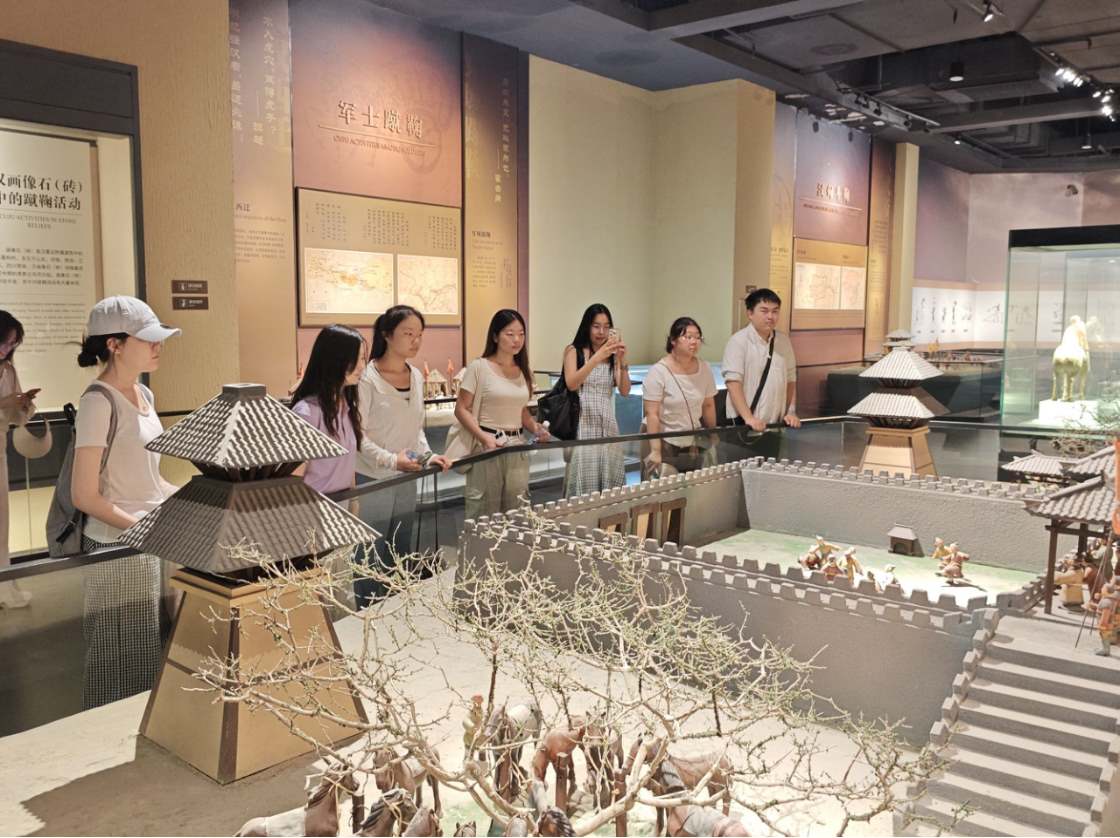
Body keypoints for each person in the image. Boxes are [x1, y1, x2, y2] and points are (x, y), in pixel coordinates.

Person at [72, 296, 180, 708]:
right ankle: (102, 737)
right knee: (115, 660)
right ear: (114, 344)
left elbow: (150, 481)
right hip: (116, 547)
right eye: (147, 339)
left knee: (146, 654)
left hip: (146, 542)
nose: (158, 347)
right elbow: (84, 495)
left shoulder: (143, 395)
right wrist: (143, 530)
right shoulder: (97, 401)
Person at [355, 305, 451, 607]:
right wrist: (390, 459)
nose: (415, 341)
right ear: (387, 334)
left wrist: (426, 456)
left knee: (399, 546)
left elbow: (415, 428)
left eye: (419, 334)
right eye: (408, 333)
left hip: (406, 474)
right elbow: (358, 435)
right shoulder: (367, 378)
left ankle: (395, 610)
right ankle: (367, 612)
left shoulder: (416, 376)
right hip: (373, 476)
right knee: (370, 550)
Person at [453, 309, 548, 518]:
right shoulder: (479, 367)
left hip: (517, 446)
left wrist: (535, 428)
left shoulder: (524, 370)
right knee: (484, 512)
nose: (517, 340)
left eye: (521, 334)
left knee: (517, 510)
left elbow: (521, 409)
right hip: (488, 445)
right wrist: (483, 438)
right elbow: (461, 408)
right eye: (510, 334)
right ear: (495, 336)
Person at [721, 288, 799, 459]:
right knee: (740, 473)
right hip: (743, 427)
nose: (770, 316)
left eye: (775, 311)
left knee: (769, 472)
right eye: (764, 311)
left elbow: (791, 378)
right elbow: (733, 383)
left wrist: (791, 411)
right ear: (750, 313)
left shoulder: (783, 341)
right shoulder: (738, 341)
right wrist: (749, 418)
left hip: (773, 427)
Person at [562, 304, 630, 497]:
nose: (601, 332)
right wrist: (597, 357)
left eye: (606, 327)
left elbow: (625, 390)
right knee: (584, 486)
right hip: (582, 425)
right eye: (596, 326)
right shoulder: (573, 351)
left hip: (608, 424)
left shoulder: (612, 357)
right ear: (587, 326)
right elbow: (572, 383)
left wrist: (622, 361)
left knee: (610, 486)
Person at [291, 325, 368, 495]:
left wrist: (354, 502)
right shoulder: (307, 412)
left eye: (363, 358)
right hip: (313, 506)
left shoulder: (346, 407)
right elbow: (293, 476)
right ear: (334, 360)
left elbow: (348, 466)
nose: (362, 366)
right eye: (355, 359)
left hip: (341, 505)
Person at [642, 317, 718, 478]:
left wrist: (713, 433)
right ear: (673, 340)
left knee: (691, 486)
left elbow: (708, 405)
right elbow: (652, 413)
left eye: (698, 337)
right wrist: (655, 450)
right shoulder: (658, 371)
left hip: (690, 440)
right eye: (688, 337)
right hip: (662, 439)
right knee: (663, 487)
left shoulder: (704, 368)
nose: (694, 341)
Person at [0, 311, 36, 609]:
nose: (7, 348)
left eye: (12, 344)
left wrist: (23, 405)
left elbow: (15, 417)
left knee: (0, 520)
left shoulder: (8, 370)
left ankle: (2, 587)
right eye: (4, 341)